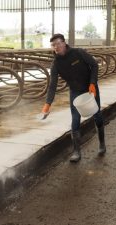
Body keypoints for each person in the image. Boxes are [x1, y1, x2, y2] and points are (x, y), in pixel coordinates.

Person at [41, 33, 106, 162]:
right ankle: (76, 151)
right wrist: (48, 104)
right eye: (54, 45)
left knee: (97, 114)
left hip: (90, 89)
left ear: (64, 43)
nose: (57, 47)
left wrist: (93, 83)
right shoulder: (56, 64)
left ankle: (102, 143)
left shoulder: (78, 53)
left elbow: (94, 65)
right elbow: (53, 85)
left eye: (59, 43)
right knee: (75, 119)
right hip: (75, 91)